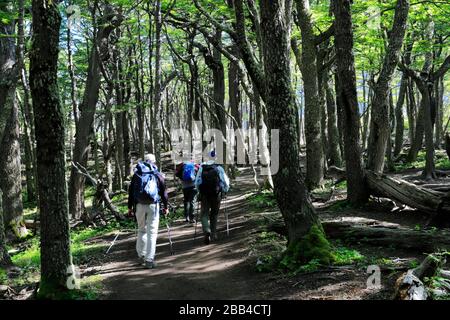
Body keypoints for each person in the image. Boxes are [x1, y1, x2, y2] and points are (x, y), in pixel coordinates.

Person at [128, 154, 168, 269]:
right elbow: (164, 192)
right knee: (152, 233)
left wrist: (130, 207)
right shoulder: (156, 174)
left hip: (139, 205)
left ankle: (141, 255)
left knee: (141, 230)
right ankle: (149, 260)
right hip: (153, 206)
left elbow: (131, 192)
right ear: (153, 162)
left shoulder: (137, 174)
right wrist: (165, 206)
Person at [195, 150, 230, 244]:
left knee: (204, 214)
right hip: (216, 194)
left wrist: (199, 191)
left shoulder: (202, 167)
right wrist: (225, 191)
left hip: (204, 194)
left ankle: (206, 230)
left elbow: (197, 181)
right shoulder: (218, 168)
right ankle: (213, 234)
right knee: (214, 214)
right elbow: (225, 181)